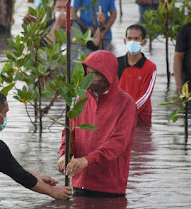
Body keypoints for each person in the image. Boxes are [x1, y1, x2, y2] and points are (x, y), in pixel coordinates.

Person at [57, 50, 137, 197]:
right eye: (88, 73)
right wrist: (64, 154)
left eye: (95, 74)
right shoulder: (81, 99)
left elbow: (118, 143)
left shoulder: (126, 103)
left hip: (109, 187)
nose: (90, 78)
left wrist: (86, 160)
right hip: (79, 182)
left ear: (108, 77)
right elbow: (70, 132)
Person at [117, 24, 157, 123]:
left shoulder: (150, 67)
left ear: (144, 42)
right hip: (118, 117)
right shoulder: (116, 63)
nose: (132, 42)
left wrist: (129, 111)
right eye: (129, 38)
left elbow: (145, 96)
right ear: (125, 41)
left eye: (136, 38)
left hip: (141, 119)